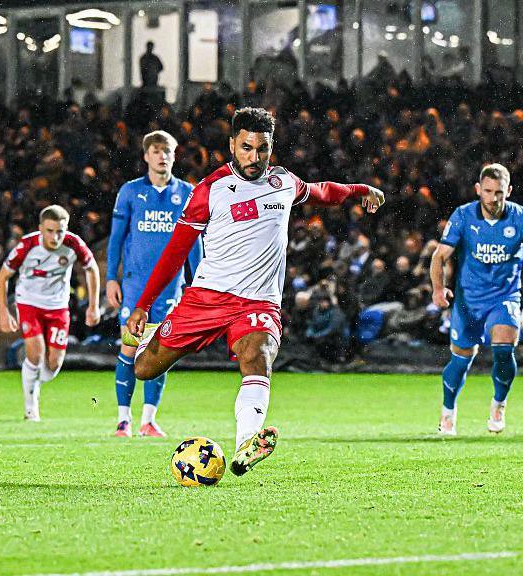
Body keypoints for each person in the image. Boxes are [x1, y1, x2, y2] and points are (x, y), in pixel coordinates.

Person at [125, 107, 385, 476]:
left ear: (271, 147)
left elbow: (321, 192)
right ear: (232, 144)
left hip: (258, 302)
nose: (254, 157)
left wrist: (360, 189)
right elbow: (175, 251)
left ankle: (248, 441)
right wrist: (143, 306)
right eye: (246, 148)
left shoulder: (282, 182)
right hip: (207, 298)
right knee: (144, 370)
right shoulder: (209, 191)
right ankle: (155, 333)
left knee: (258, 353)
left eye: (262, 149)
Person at [429, 163, 523, 436]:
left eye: (499, 192)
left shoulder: (522, 218)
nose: (493, 198)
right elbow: (439, 256)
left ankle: (499, 403)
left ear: (509, 191)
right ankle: (448, 411)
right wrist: (438, 289)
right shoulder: (464, 216)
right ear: (478, 190)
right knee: (460, 360)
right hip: (468, 301)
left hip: (504, 297)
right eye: (488, 192)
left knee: (504, 349)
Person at [106, 130, 203, 438]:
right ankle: (123, 419)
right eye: (157, 151)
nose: (162, 156)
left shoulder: (187, 193)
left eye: (168, 151)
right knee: (130, 348)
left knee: (159, 350)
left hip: (170, 288)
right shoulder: (130, 192)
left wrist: (196, 282)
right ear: (146, 156)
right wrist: (111, 277)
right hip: (135, 286)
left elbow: (193, 241)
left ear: (174, 156)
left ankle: (149, 420)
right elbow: (116, 239)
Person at [0, 205, 101, 421]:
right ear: (41, 228)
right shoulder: (27, 245)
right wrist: (4, 312)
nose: (55, 237)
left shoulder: (73, 244)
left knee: (53, 365)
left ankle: (32, 381)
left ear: (67, 229)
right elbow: (2, 278)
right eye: (50, 231)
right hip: (29, 303)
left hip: (58, 307)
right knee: (35, 353)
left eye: (60, 231)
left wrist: (93, 305)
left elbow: (92, 269)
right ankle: (30, 406)